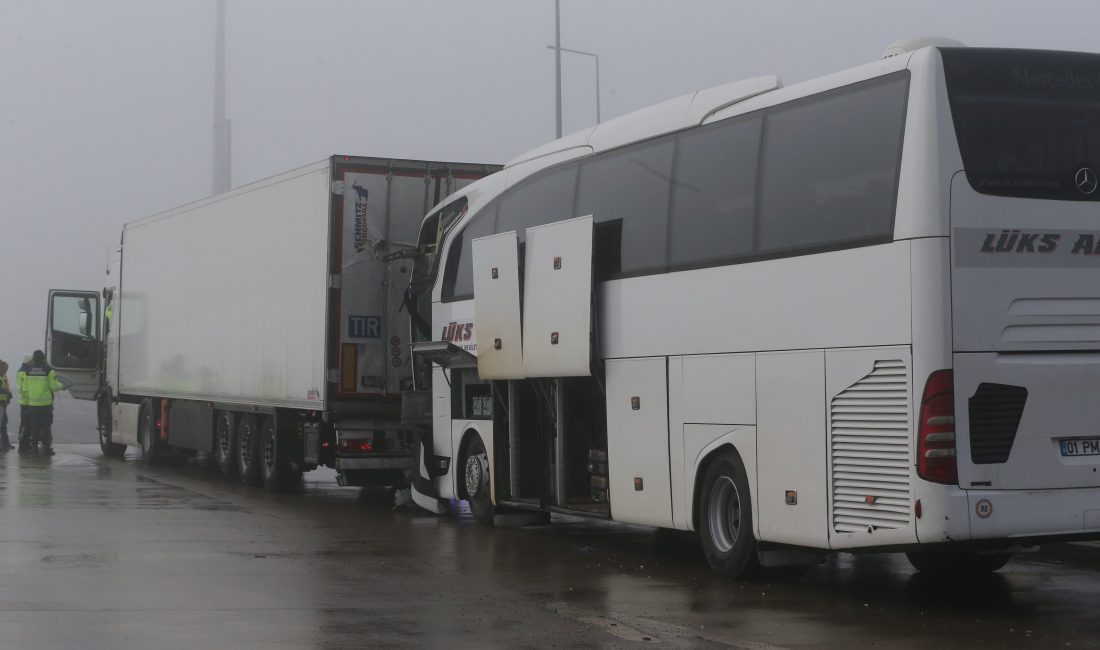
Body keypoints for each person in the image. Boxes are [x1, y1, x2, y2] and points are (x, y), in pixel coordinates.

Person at [20, 350, 63, 456]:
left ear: (34, 359)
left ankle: (34, 448)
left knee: (34, 426)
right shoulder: (48, 370)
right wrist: (61, 385)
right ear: (44, 358)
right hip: (45, 404)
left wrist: (26, 402)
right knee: (46, 427)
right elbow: (53, 386)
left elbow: (24, 389)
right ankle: (47, 448)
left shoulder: (27, 371)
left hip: (32, 405)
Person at [15, 354, 30, 452]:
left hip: (24, 401)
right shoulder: (24, 372)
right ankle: (22, 444)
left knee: (25, 424)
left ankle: (23, 443)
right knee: (25, 424)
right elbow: (23, 388)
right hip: (26, 402)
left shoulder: (22, 370)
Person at [0, 360, 12, 450]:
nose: (6, 371)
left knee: (3, 423)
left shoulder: (3, 377)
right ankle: (4, 443)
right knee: (2, 424)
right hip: (1, 404)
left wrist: (8, 395)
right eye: (4, 369)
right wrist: (6, 391)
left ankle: (5, 443)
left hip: (3, 403)